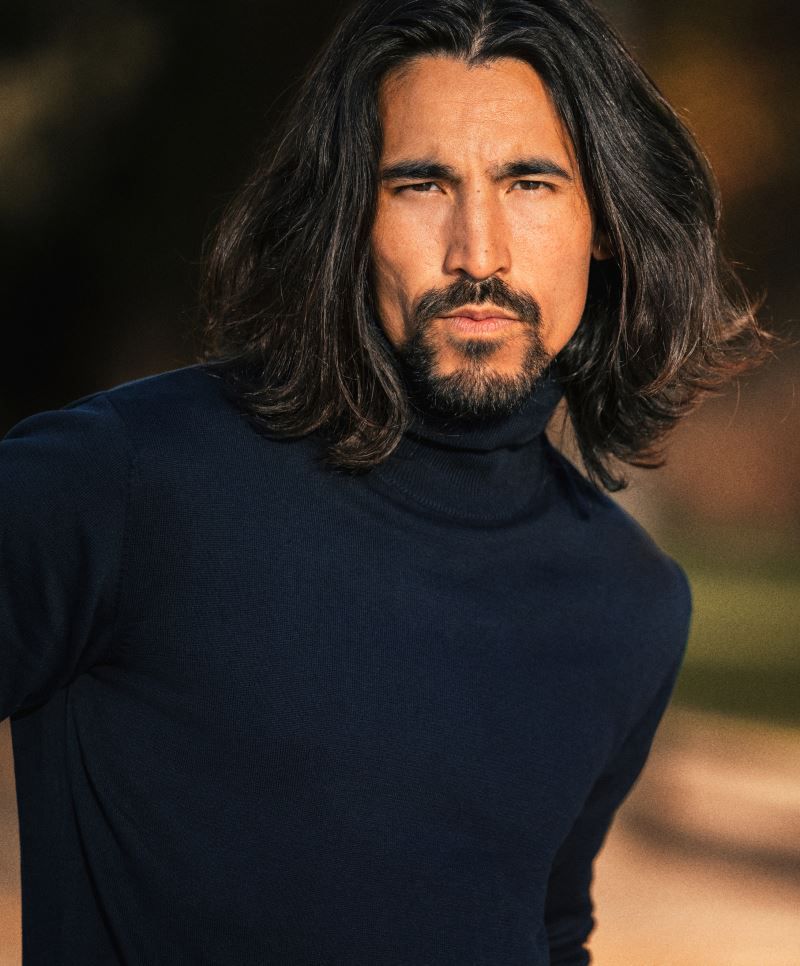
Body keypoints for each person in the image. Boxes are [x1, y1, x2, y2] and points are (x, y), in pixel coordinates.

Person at [1, 1, 769, 963]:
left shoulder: (631, 601)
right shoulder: (124, 482)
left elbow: (545, 927)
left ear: (606, 224)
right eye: (421, 184)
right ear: (349, 218)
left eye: (530, 182)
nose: (478, 252)